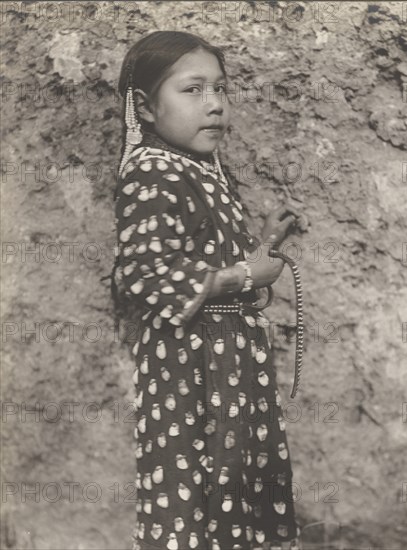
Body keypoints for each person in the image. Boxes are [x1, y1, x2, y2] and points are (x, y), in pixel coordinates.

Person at [112, 30, 304, 550]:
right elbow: (147, 274)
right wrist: (245, 275)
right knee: (191, 486)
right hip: (187, 364)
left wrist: (264, 243)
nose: (215, 105)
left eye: (220, 89)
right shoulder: (150, 170)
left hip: (228, 356)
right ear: (146, 109)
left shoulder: (199, 169)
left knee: (237, 479)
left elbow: (212, 257)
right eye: (193, 90)